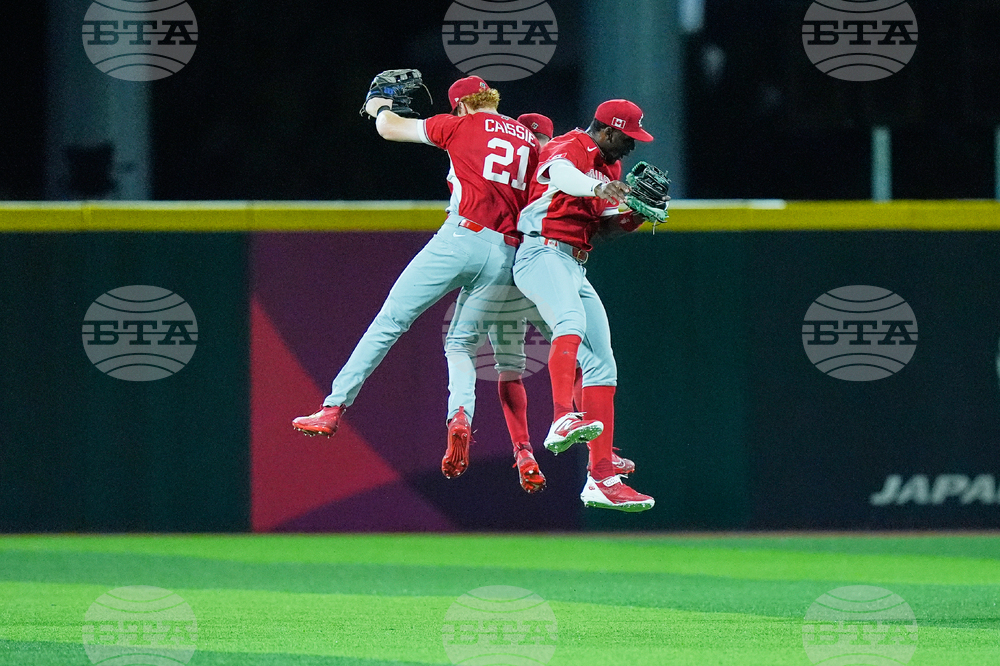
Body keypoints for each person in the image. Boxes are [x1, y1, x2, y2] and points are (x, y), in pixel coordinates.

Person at [292, 75, 539, 485]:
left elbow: (389, 128)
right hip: (506, 253)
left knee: (391, 321)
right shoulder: (529, 140)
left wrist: (378, 104)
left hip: (461, 236)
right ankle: (460, 416)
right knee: (461, 345)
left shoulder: (459, 123)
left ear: (461, 105)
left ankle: (332, 408)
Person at [511, 99, 662, 512]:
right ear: (608, 130)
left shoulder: (610, 168)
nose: (632, 145)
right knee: (570, 323)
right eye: (628, 137)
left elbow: (602, 229)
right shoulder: (571, 144)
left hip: (574, 262)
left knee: (602, 363)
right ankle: (562, 415)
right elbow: (561, 175)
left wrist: (635, 215)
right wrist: (597, 188)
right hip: (540, 251)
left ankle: (601, 477)